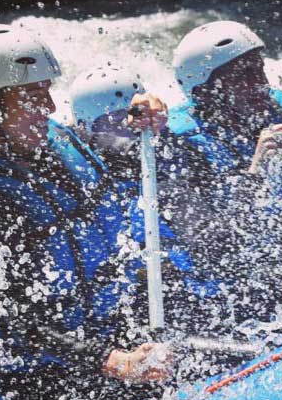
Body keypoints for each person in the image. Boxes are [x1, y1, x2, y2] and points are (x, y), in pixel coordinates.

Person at [0, 26, 172, 400]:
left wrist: (148, 124)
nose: (51, 108)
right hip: (45, 378)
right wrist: (110, 361)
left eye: (47, 91)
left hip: (111, 333)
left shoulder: (55, 141)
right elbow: (4, 314)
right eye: (32, 97)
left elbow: (122, 172)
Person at [167, 20, 282, 325]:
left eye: (259, 69)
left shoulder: (281, 108)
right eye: (244, 76)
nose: (261, 84)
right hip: (228, 285)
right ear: (206, 91)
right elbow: (212, 246)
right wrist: (255, 170)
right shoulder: (180, 143)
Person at [69, 63, 232, 336]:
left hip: (197, 291)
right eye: (112, 123)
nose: (128, 131)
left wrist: (161, 128)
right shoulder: (85, 174)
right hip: (139, 309)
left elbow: (212, 207)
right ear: (86, 130)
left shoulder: (171, 152)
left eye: (130, 118)